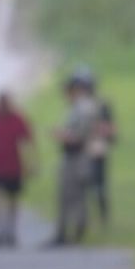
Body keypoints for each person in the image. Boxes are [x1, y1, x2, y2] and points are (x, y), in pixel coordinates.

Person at [50, 70, 100, 246]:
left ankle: (74, 231)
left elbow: (79, 135)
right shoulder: (79, 107)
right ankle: (67, 231)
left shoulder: (84, 108)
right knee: (70, 196)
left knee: (74, 196)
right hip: (74, 155)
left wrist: (62, 135)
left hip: (78, 156)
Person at [0, 93, 34, 247]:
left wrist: (29, 163)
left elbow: (27, 142)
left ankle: (10, 230)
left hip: (13, 166)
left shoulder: (17, 119)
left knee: (12, 200)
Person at [78, 70, 117, 227]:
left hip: (96, 148)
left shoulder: (100, 105)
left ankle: (102, 218)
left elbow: (110, 129)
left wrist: (97, 129)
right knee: (84, 187)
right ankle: (85, 219)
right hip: (82, 149)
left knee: (99, 186)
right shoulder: (79, 105)